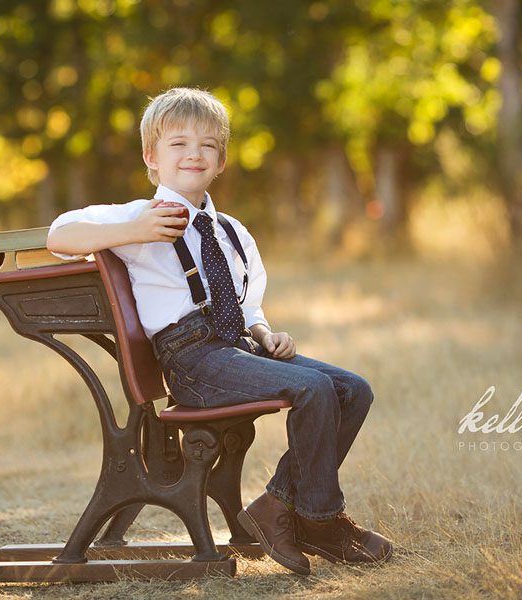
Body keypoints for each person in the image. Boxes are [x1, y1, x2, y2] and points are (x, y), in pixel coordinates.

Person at [46, 87, 392, 576]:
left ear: (222, 160)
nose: (194, 153)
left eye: (207, 145)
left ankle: (278, 507)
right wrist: (134, 230)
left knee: (353, 389)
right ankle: (318, 519)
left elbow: (249, 302)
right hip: (192, 362)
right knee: (312, 388)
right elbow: (59, 236)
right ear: (151, 156)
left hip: (238, 349)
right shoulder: (138, 218)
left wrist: (265, 332)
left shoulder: (232, 230)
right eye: (178, 144)